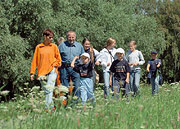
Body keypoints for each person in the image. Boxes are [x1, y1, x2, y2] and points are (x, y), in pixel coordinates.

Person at [30, 29, 61, 111]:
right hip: (42, 72)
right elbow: (35, 60)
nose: (51, 39)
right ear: (45, 37)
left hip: (52, 70)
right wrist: (32, 72)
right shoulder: (39, 47)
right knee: (46, 91)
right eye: (50, 37)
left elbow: (59, 58)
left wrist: (56, 64)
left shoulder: (54, 46)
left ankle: (48, 109)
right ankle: (51, 107)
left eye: (52, 38)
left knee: (49, 89)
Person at [58, 31, 84, 98]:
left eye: (73, 37)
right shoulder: (62, 45)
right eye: (69, 37)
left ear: (75, 37)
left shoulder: (79, 46)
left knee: (77, 86)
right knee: (64, 87)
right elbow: (57, 55)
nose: (71, 39)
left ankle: (75, 103)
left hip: (75, 68)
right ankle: (66, 103)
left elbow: (83, 57)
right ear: (67, 37)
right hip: (64, 68)